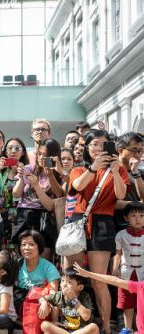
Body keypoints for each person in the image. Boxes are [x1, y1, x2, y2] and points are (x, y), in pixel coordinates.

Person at [67, 130, 129, 334]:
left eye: (104, 144)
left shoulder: (118, 170)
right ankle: (72, 322)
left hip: (103, 222)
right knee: (71, 275)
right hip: (78, 221)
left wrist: (115, 170)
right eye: (94, 144)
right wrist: (93, 168)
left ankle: (105, 327)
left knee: (99, 280)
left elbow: (120, 194)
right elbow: (76, 186)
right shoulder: (79, 169)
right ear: (87, 147)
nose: (99, 148)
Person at [12, 139, 62, 260]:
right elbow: (16, 194)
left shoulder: (56, 173)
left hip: (43, 217)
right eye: (39, 154)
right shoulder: (30, 168)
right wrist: (22, 177)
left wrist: (36, 185)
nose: (41, 158)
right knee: (22, 259)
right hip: (23, 215)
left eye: (46, 155)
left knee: (43, 260)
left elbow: (50, 206)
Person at [74, 263, 144, 334]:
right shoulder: (141, 286)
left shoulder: (141, 286)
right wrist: (89, 274)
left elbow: (116, 280)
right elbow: (115, 280)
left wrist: (89, 274)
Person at [112, 201, 144, 334]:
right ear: (126, 218)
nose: (138, 219)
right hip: (127, 273)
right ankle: (128, 328)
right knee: (127, 303)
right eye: (133, 215)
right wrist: (114, 270)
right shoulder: (120, 235)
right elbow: (118, 254)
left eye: (141, 215)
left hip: (142, 273)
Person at [0, 137, 29, 246]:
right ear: (5, 151)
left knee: (18, 245)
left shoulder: (27, 169)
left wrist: (23, 173)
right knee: (2, 247)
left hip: (20, 215)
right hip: (1, 215)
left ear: (22, 153)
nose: (13, 151)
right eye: (10, 148)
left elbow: (27, 192)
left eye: (17, 148)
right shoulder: (0, 171)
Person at [14, 230, 60, 318]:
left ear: (39, 247)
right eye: (23, 245)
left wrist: (55, 321)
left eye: (31, 244)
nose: (26, 248)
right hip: (20, 308)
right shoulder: (17, 265)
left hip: (41, 309)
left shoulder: (49, 268)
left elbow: (54, 295)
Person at [38, 268, 99, 334]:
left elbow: (86, 317)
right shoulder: (60, 295)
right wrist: (44, 303)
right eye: (63, 280)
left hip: (81, 331)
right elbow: (41, 297)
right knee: (45, 325)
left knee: (93, 327)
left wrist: (74, 299)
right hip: (64, 330)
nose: (64, 285)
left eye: (69, 282)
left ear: (80, 287)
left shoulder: (84, 296)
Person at [114, 132, 144, 232]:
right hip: (118, 226)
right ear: (121, 151)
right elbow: (111, 203)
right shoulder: (111, 172)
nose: (138, 154)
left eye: (140, 151)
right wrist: (137, 204)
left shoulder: (140, 173)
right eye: (134, 150)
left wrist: (135, 172)